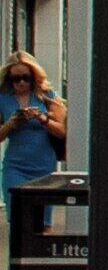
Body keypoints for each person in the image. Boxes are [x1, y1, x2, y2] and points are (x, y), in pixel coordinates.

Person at [0, 49, 66, 211]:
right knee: (16, 215)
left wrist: (42, 118)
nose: (22, 83)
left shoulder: (46, 96)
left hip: (43, 166)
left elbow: (62, 131)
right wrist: (10, 124)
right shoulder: (3, 98)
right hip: (15, 165)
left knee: (43, 220)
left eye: (26, 78)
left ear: (33, 76)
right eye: (16, 79)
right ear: (9, 79)